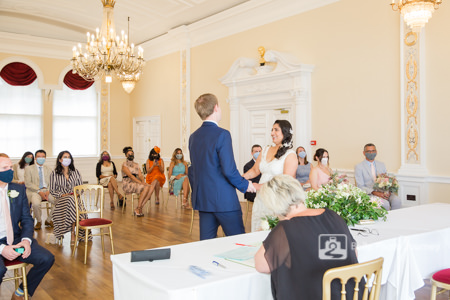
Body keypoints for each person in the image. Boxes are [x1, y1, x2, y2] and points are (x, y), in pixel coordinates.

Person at [254, 175, 361, 300]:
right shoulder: (331, 215)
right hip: (352, 295)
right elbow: (353, 253)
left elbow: (262, 265)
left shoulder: (285, 229)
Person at [189, 93, 255, 240]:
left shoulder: (193, 137)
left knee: (206, 245)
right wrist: (245, 185)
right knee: (238, 243)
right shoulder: (222, 134)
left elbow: (194, 170)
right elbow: (229, 170)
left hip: (204, 200)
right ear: (216, 107)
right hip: (224, 201)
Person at [0, 153, 54, 300]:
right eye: (5, 168)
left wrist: (25, 240)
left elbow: (26, 219)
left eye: (11, 167)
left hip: (16, 238)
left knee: (46, 258)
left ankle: (20, 293)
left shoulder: (17, 189)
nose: (10, 171)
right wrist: (2, 249)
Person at [243, 120, 297, 232]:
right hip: (260, 199)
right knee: (257, 230)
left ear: (285, 132)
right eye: (272, 130)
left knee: (272, 233)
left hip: (276, 200)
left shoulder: (290, 155)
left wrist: (259, 186)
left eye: (276, 130)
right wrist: (238, 179)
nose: (272, 133)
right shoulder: (266, 149)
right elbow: (254, 170)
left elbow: (285, 182)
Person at [49, 151, 86, 244]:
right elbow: (52, 190)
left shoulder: (75, 172)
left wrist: (76, 194)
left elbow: (81, 187)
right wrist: (62, 195)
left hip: (74, 198)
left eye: (69, 157)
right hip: (61, 200)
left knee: (72, 199)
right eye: (65, 157)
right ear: (60, 159)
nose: (67, 159)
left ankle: (74, 231)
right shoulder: (54, 174)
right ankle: (81, 220)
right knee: (70, 199)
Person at [354, 143, 401, 210]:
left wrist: (388, 192)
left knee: (397, 200)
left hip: (383, 192)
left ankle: (396, 219)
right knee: (385, 204)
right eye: (368, 151)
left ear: (376, 152)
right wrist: (375, 193)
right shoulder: (359, 167)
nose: (371, 153)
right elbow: (360, 186)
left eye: (373, 151)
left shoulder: (381, 164)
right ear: (364, 153)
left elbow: (386, 180)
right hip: (370, 194)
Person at [24, 149, 56, 230]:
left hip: (47, 191)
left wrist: (48, 190)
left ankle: (48, 220)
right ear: (35, 158)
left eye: (43, 157)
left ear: (45, 158)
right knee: (36, 204)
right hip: (34, 191)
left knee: (59, 202)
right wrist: (39, 191)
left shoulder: (48, 169)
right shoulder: (29, 169)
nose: (41, 158)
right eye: (39, 157)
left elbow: (52, 182)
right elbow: (28, 183)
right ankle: (39, 221)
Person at [121, 147, 155, 217]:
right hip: (128, 184)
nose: (131, 155)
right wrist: (140, 183)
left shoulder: (136, 164)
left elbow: (140, 175)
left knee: (151, 187)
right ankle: (139, 208)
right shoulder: (124, 165)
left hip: (136, 182)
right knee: (145, 188)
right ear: (126, 155)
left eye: (132, 154)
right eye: (129, 154)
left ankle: (139, 208)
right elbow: (130, 176)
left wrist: (143, 181)